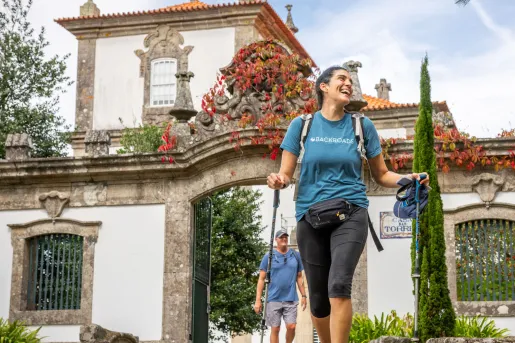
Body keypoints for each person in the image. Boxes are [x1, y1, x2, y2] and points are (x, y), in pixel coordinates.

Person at [266, 65, 430, 343]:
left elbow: (381, 174)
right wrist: (278, 180)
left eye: (349, 80)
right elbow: (286, 172)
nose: (347, 83)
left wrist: (408, 178)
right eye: (341, 79)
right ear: (323, 87)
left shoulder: (361, 126)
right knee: (318, 299)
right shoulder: (302, 126)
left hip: (351, 212)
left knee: (339, 285)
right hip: (310, 215)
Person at [254, 229, 307, 343]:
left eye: (285, 237)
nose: (284, 238)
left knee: (291, 327)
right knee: (275, 329)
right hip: (273, 299)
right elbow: (261, 279)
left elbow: (299, 277)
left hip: (291, 298)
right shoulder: (269, 256)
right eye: (281, 237)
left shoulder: (295, 255)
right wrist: (258, 300)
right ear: (276, 240)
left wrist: (304, 295)